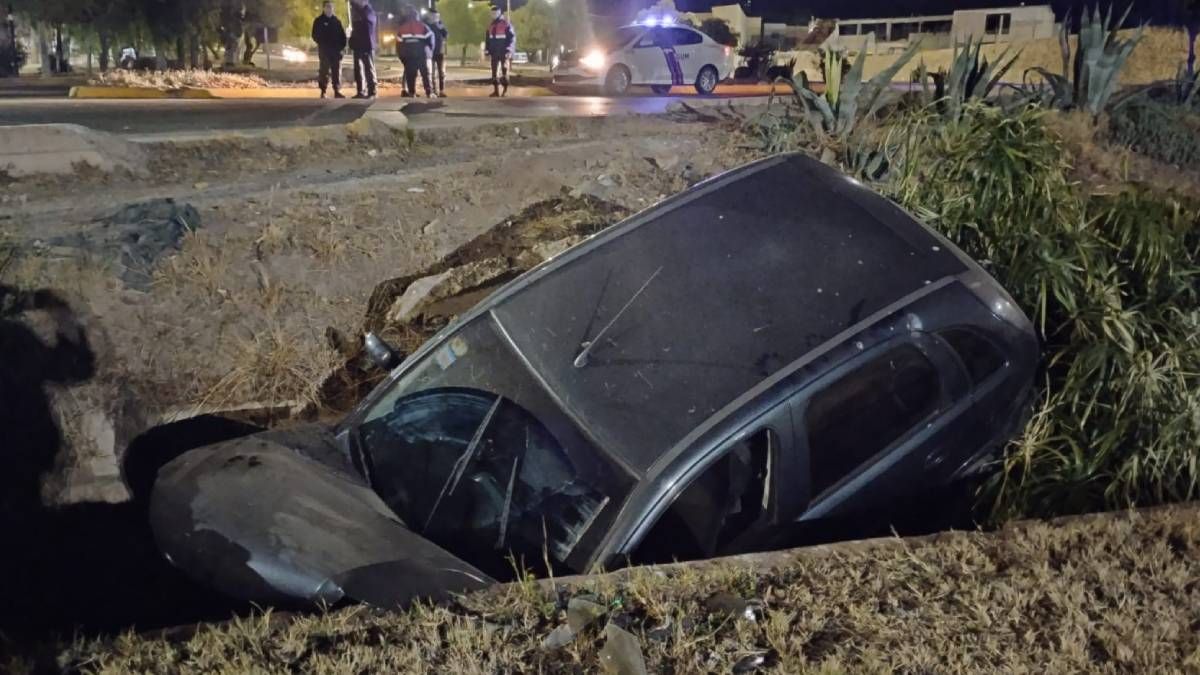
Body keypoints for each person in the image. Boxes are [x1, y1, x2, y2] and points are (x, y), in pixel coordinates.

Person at [395, 6, 434, 98]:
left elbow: (398, 44)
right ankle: (429, 92)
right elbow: (431, 39)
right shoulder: (423, 27)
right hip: (421, 55)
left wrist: (402, 56)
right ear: (417, 16)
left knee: (410, 75)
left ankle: (412, 93)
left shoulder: (402, 29)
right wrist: (429, 52)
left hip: (408, 56)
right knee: (425, 74)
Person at [311, 1, 347, 99]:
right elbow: (314, 35)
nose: (329, 9)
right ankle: (323, 91)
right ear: (323, 8)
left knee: (336, 71)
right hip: (324, 51)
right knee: (324, 71)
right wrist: (322, 43)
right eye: (327, 7)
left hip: (336, 52)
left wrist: (341, 48)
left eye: (331, 7)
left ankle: (337, 91)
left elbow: (343, 36)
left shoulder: (336, 21)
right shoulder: (319, 21)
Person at [348, 0, 379, 99]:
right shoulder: (357, 12)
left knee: (369, 68)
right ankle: (361, 90)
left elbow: (366, 22)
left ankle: (372, 91)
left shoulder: (369, 11)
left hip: (367, 45)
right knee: (358, 69)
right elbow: (355, 29)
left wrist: (354, 4)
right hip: (358, 45)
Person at [484, 4, 515, 98]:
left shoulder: (506, 24)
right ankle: (496, 91)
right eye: (492, 13)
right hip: (494, 53)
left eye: (495, 13)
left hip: (504, 52)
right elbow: (488, 40)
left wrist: (509, 50)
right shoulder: (490, 26)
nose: (493, 14)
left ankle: (505, 91)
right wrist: (487, 50)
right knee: (494, 73)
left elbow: (512, 38)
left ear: (499, 13)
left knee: (505, 72)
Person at [425, 9, 449, 97]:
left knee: (441, 72)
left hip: (440, 52)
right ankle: (434, 90)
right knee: (432, 73)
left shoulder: (440, 25)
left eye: (437, 16)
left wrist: (441, 28)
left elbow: (446, 35)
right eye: (433, 16)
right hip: (430, 53)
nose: (435, 18)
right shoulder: (427, 26)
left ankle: (442, 90)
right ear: (429, 16)